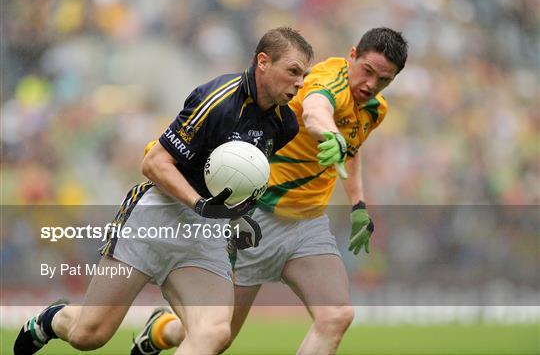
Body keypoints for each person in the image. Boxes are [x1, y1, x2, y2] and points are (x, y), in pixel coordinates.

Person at [14, 26, 314, 355]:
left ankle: (157, 329)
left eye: (304, 75)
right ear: (263, 62)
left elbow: (244, 182)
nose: (299, 83)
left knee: (214, 333)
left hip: (205, 232)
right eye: (293, 71)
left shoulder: (284, 125)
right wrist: (199, 204)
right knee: (90, 335)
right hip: (155, 217)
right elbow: (155, 164)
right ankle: (49, 320)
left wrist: (239, 215)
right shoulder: (218, 99)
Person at [134, 27, 408, 355]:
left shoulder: (375, 109)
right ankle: (161, 330)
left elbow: (350, 149)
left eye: (384, 80)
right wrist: (330, 134)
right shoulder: (325, 80)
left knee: (336, 316)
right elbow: (316, 111)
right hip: (255, 218)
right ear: (352, 56)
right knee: (217, 336)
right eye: (368, 71)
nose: (371, 85)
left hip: (308, 224)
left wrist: (358, 203)